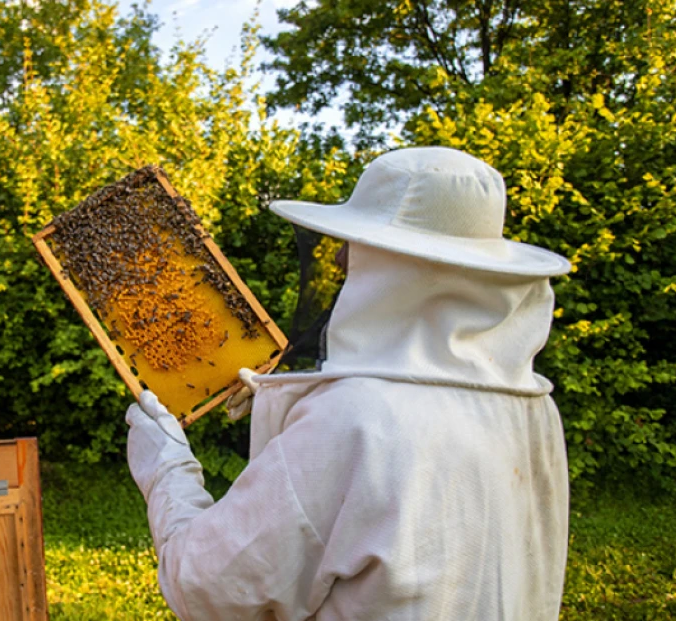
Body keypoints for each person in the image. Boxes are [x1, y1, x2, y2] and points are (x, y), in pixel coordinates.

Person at [124, 147, 572, 620]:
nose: (338, 258)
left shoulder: (352, 420)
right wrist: (280, 400)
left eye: (354, 244)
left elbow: (208, 586)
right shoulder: (534, 409)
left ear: (395, 267)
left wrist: (166, 468)